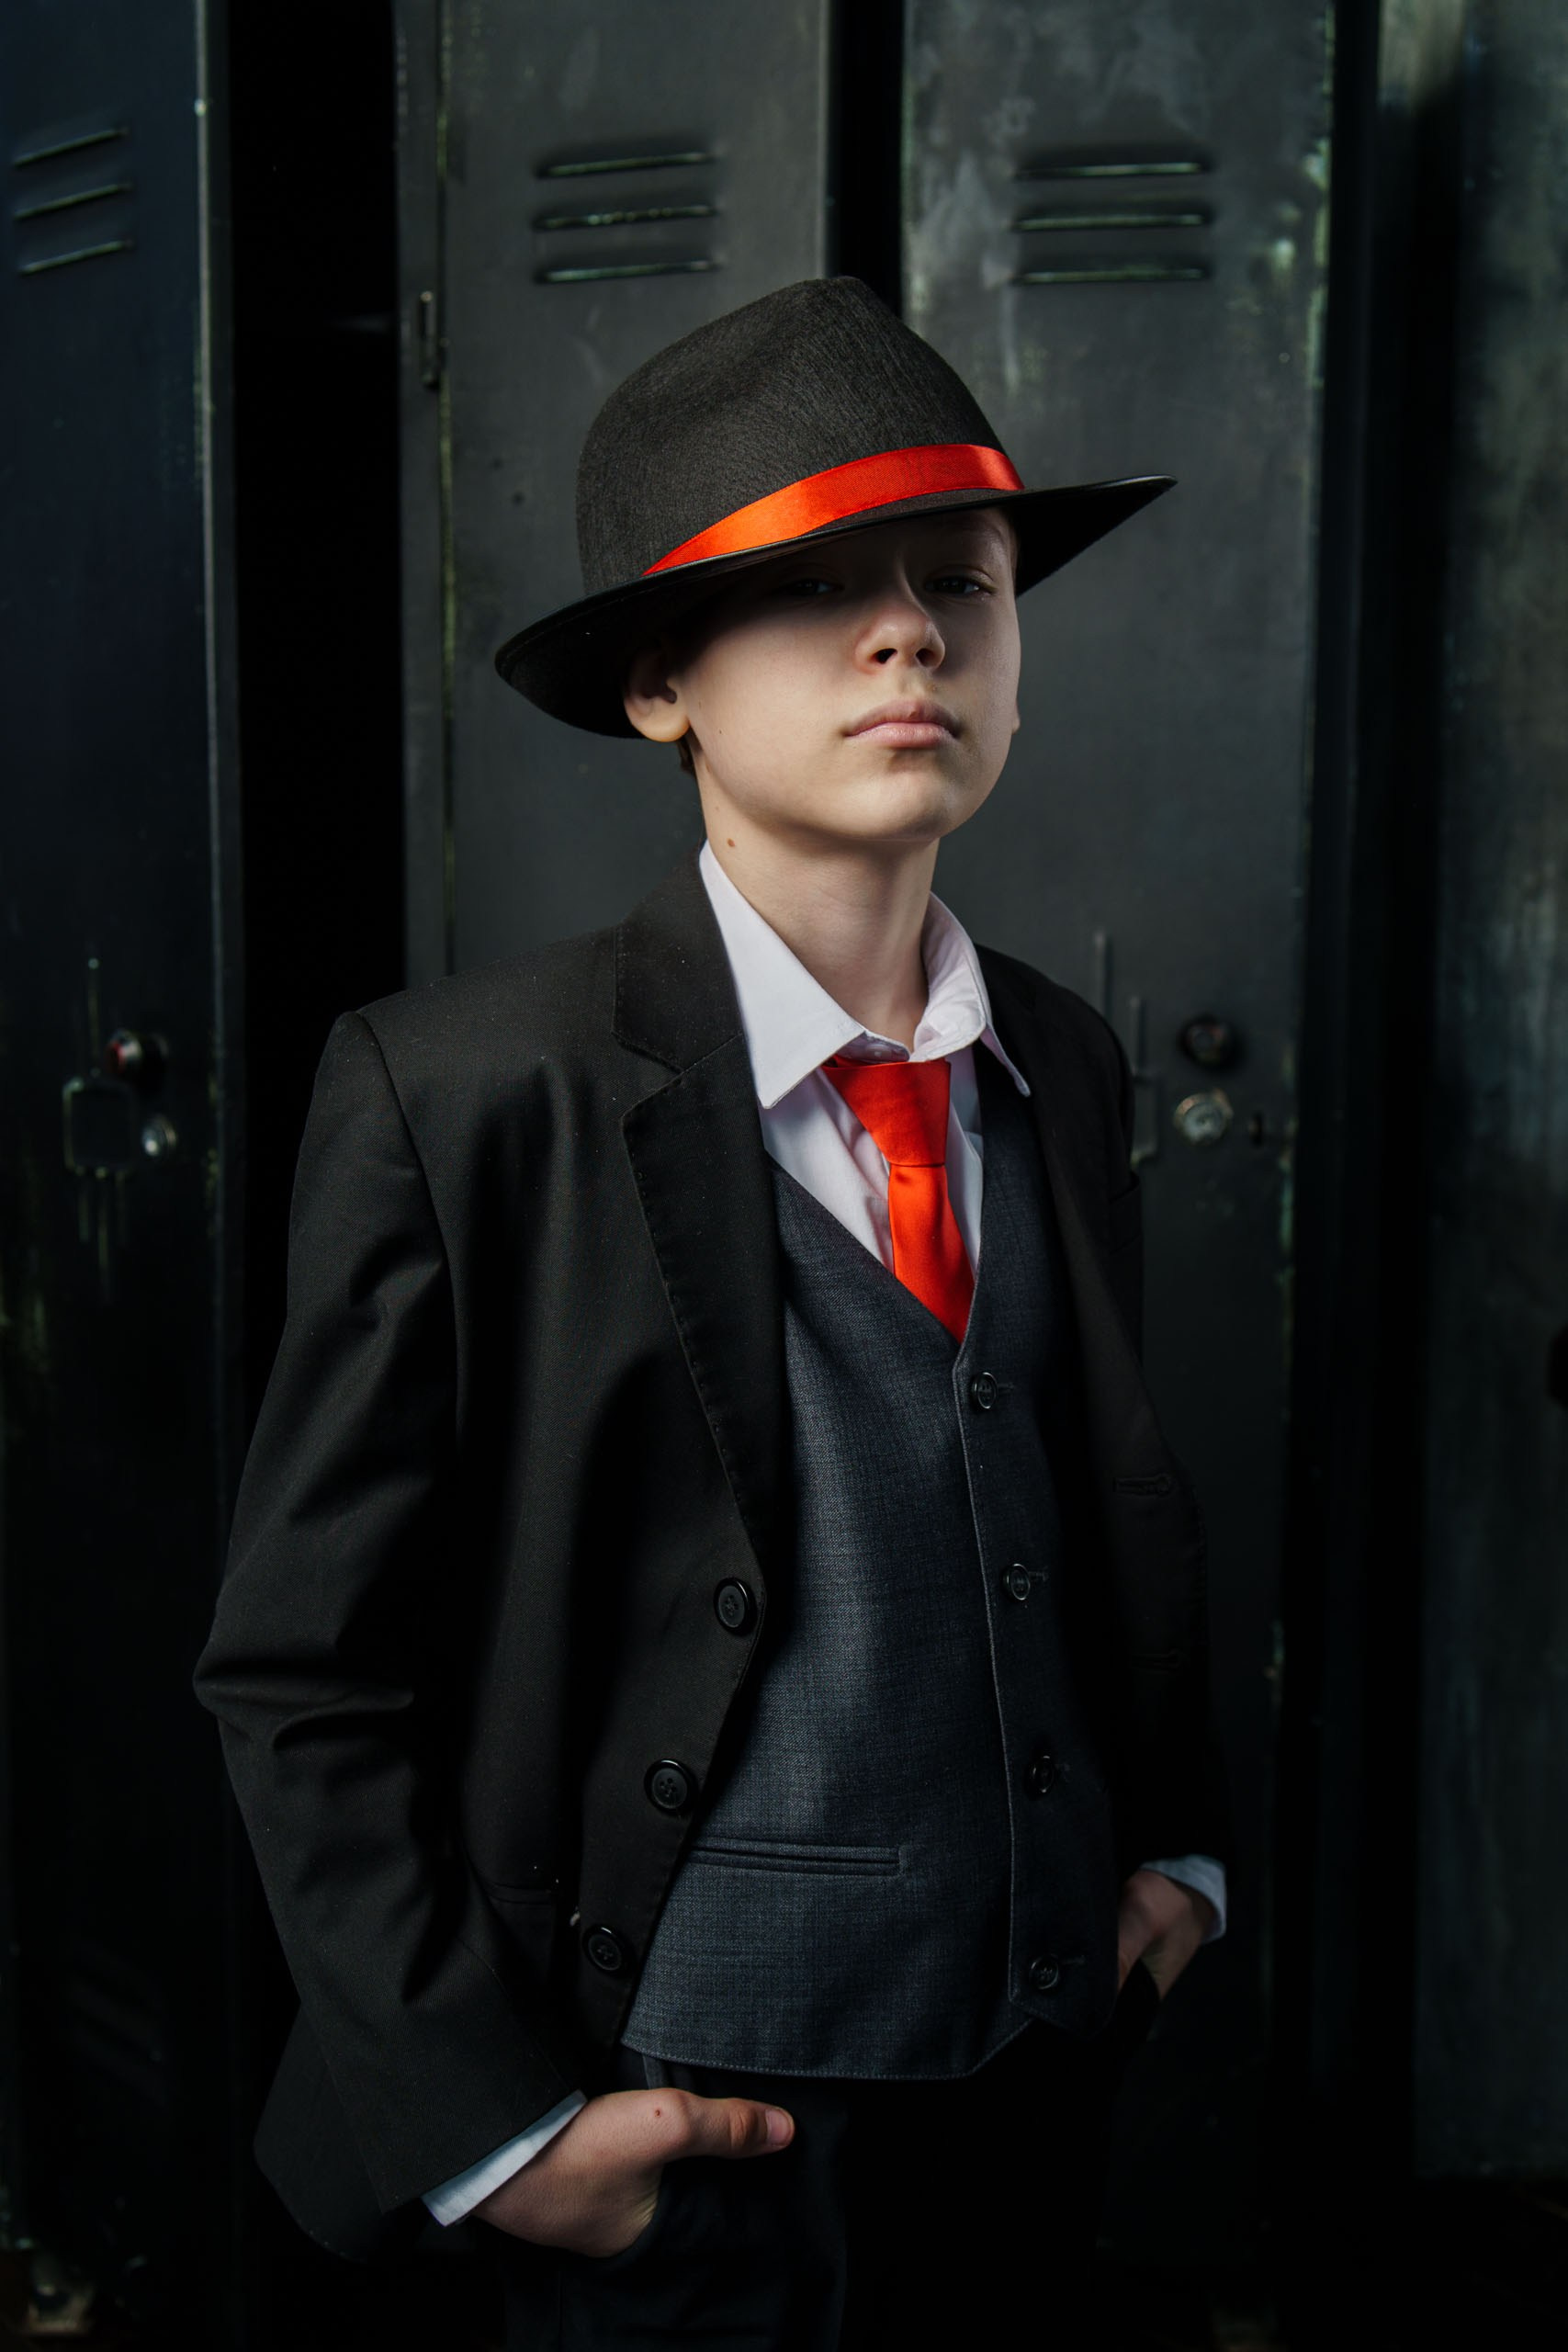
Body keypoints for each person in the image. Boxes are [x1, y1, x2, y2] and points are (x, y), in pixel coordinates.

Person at [195, 276, 1231, 2348]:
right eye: (819, 584)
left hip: (1033, 2085)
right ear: (660, 680)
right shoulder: (463, 1091)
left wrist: (1177, 1859)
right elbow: (300, 1670)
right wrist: (498, 2131)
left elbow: (1096, 1501)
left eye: (961, 581)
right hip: (679, 2123)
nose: (910, 633)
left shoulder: (1059, 1056)